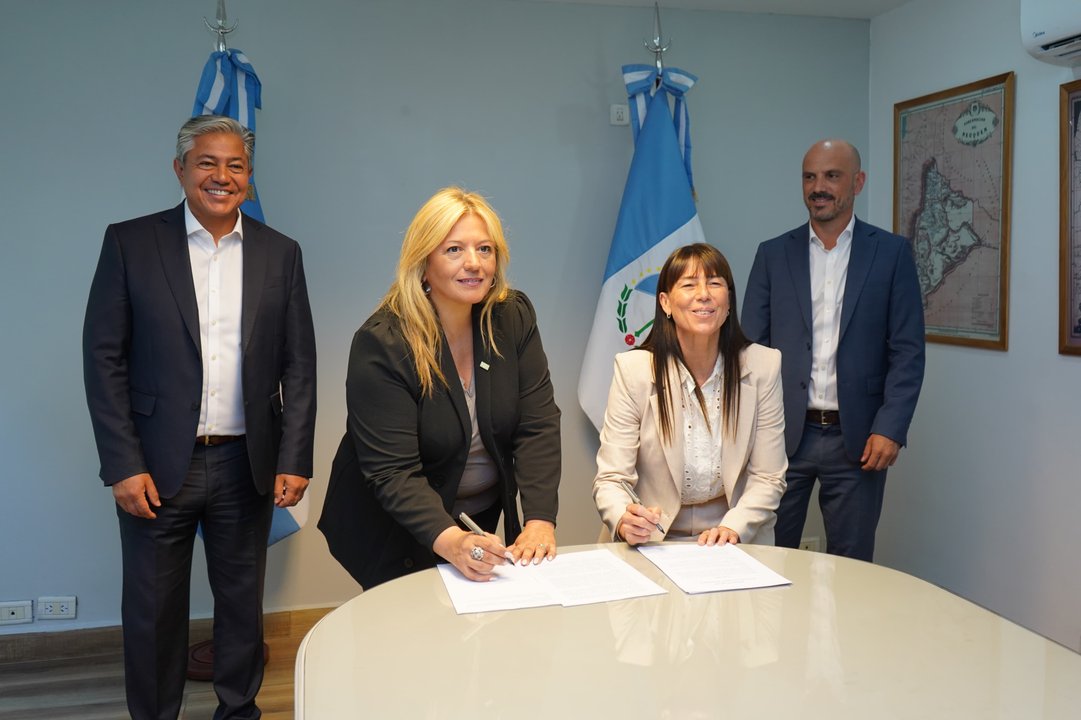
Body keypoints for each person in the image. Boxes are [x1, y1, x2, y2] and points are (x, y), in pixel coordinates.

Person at [82, 115, 317, 720]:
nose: (222, 176)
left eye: (236, 165)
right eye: (207, 162)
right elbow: (103, 359)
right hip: (156, 467)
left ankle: (238, 711)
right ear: (180, 168)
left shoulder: (280, 252)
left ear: (249, 175)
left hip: (246, 463)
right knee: (154, 610)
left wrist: (294, 457)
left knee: (241, 606)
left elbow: (300, 364)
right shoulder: (131, 243)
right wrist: (122, 464)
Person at [319, 187, 561, 588]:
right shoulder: (384, 342)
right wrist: (453, 542)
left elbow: (538, 425)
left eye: (485, 249)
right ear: (423, 263)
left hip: (475, 517)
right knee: (409, 624)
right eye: (454, 250)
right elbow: (393, 472)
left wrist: (539, 520)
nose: (474, 263)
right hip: (393, 526)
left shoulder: (511, 317)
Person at [741, 138, 925, 562]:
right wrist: (749, 430)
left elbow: (908, 351)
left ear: (857, 182)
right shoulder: (773, 254)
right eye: (810, 177)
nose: (818, 187)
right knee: (766, 556)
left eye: (831, 176)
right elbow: (750, 347)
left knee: (852, 563)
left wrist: (891, 427)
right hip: (780, 435)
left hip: (858, 440)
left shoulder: (891, 254)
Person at [593, 243, 787, 546]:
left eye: (714, 283)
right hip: (652, 539)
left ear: (728, 301)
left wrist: (733, 527)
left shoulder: (763, 365)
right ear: (665, 303)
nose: (704, 294)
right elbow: (611, 479)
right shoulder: (634, 371)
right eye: (689, 284)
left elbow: (769, 477)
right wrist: (624, 519)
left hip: (732, 536)